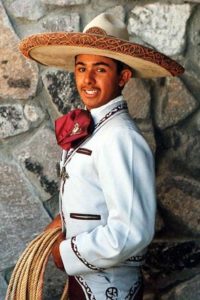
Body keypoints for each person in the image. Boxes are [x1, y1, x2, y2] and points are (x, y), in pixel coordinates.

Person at [19, 13, 184, 300]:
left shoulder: (122, 138)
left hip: (107, 290)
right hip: (85, 284)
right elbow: (94, 197)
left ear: (123, 77)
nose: (88, 79)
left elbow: (131, 231)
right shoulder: (98, 129)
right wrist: (63, 221)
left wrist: (65, 253)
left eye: (101, 69)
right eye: (81, 68)